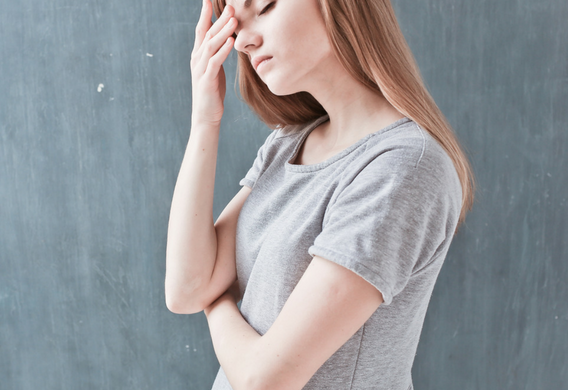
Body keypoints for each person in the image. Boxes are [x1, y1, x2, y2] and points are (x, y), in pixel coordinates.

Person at [165, 0, 474, 389]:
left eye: (263, 6)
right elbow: (186, 289)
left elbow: (263, 381)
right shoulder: (290, 143)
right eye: (233, 24)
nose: (242, 41)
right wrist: (204, 122)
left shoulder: (403, 167)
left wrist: (217, 301)